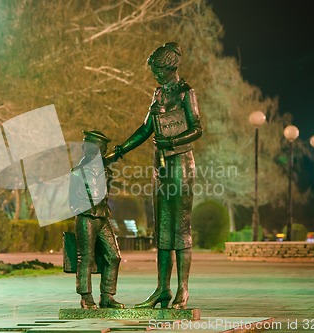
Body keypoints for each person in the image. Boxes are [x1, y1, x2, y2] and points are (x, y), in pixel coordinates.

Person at [105, 42, 202, 309]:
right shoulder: (158, 94)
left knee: (180, 227)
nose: (155, 75)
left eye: (158, 69)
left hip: (181, 164)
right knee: (162, 228)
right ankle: (162, 289)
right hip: (160, 166)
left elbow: (197, 129)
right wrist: (120, 150)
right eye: (154, 70)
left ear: (171, 67)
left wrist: (170, 143)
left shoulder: (186, 93)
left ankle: (183, 290)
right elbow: (146, 127)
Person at [69, 130, 125, 310]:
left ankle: (107, 296)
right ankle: (86, 297)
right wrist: (82, 209)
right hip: (86, 217)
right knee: (86, 258)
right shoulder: (77, 172)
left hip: (102, 216)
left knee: (113, 256)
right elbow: (72, 200)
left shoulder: (106, 171)